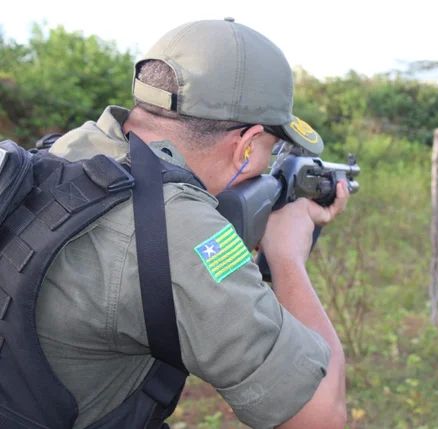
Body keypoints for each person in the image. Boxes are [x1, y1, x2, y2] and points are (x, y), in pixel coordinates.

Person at [31, 18, 349, 429]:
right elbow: (320, 416)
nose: (267, 165)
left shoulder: (58, 155)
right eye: (269, 152)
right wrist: (287, 255)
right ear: (248, 144)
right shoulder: (179, 230)